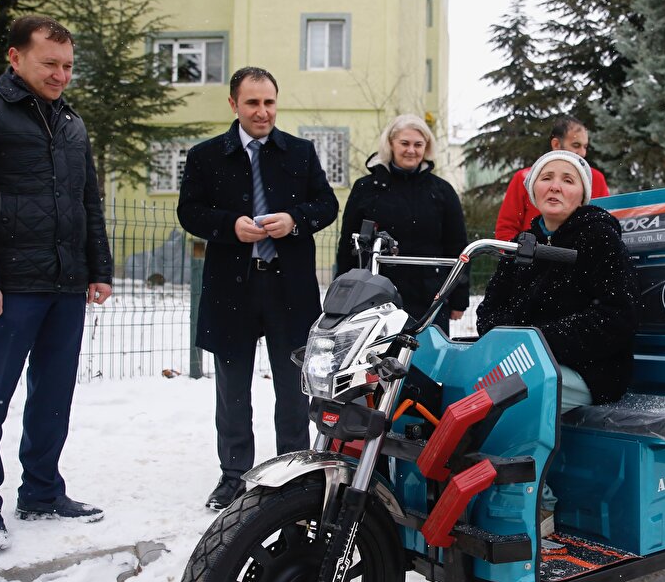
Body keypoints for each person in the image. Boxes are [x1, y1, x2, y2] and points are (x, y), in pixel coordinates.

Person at [0, 15, 114, 552]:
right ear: (15, 58)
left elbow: (88, 201)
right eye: (49, 64)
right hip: (8, 286)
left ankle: (40, 491)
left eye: (67, 66)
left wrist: (98, 268)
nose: (61, 75)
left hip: (65, 283)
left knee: (53, 395)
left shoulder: (71, 124)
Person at [178, 67, 339, 510]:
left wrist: (295, 220)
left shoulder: (301, 153)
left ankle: (292, 470)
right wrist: (229, 226)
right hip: (232, 289)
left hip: (289, 290)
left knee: (293, 386)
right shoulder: (207, 156)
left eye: (269, 102)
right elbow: (189, 212)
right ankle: (233, 474)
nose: (262, 111)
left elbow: (326, 204)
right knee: (232, 389)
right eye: (252, 103)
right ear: (233, 104)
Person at [477, 150, 638, 411]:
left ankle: (516, 454)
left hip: (588, 371)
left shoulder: (599, 238)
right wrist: (512, 342)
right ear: (533, 189)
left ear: (582, 194)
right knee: (466, 382)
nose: (555, 187)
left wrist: (537, 342)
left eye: (568, 180)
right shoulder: (523, 244)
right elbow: (489, 312)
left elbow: (618, 318)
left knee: (505, 397)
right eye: (546, 178)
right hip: (520, 362)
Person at [336, 114, 468, 333]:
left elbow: (458, 247)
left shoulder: (442, 192)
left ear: (426, 148)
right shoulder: (366, 189)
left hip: (430, 297)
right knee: (376, 364)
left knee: (426, 364)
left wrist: (459, 298)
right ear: (390, 144)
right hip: (375, 296)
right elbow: (347, 245)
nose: (411, 150)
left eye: (418, 144)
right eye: (404, 143)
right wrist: (342, 293)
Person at [493, 115, 611, 242]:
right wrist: (521, 256)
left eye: (585, 146)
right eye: (576, 145)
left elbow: (604, 226)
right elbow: (506, 229)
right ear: (556, 144)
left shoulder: (596, 179)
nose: (583, 153)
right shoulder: (524, 178)